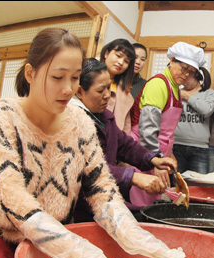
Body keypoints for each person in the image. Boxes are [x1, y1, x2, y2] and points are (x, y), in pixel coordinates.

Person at [0, 28, 184, 258]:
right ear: (31, 74)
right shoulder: (5, 116)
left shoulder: (80, 122)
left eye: (75, 78)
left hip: (56, 237)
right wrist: (75, 250)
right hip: (4, 232)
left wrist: (135, 237)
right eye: (57, 77)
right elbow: (10, 195)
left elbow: (101, 188)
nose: (68, 89)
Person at [70, 58, 177, 222]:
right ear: (79, 92)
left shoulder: (105, 117)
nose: (107, 95)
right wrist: (133, 177)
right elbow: (86, 169)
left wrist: (153, 158)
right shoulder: (72, 122)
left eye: (108, 88)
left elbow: (126, 145)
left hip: (108, 197)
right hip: (83, 206)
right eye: (100, 91)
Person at [129, 41, 205, 205]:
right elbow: (147, 130)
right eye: (183, 68)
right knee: (140, 202)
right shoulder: (159, 84)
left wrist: (168, 154)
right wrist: (153, 160)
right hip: (144, 152)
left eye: (191, 72)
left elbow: (166, 131)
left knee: (155, 199)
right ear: (171, 61)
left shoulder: (175, 88)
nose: (186, 74)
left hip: (158, 155)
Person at [173, 66, 214, 174]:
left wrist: (187, 96)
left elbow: (206, 110)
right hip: (177, 144)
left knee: (198, 184)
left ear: (197, 76)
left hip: (200, 147)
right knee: (177, 184)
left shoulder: (209, 93)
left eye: (187, 78)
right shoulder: (176, 92)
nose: (184, 82)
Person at [100, 38, 136, 135]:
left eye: (126, 61)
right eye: (118, 56)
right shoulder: (88, 78)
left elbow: (126, 128)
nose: (121, 62)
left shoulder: (126, 94)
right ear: (106, 53)